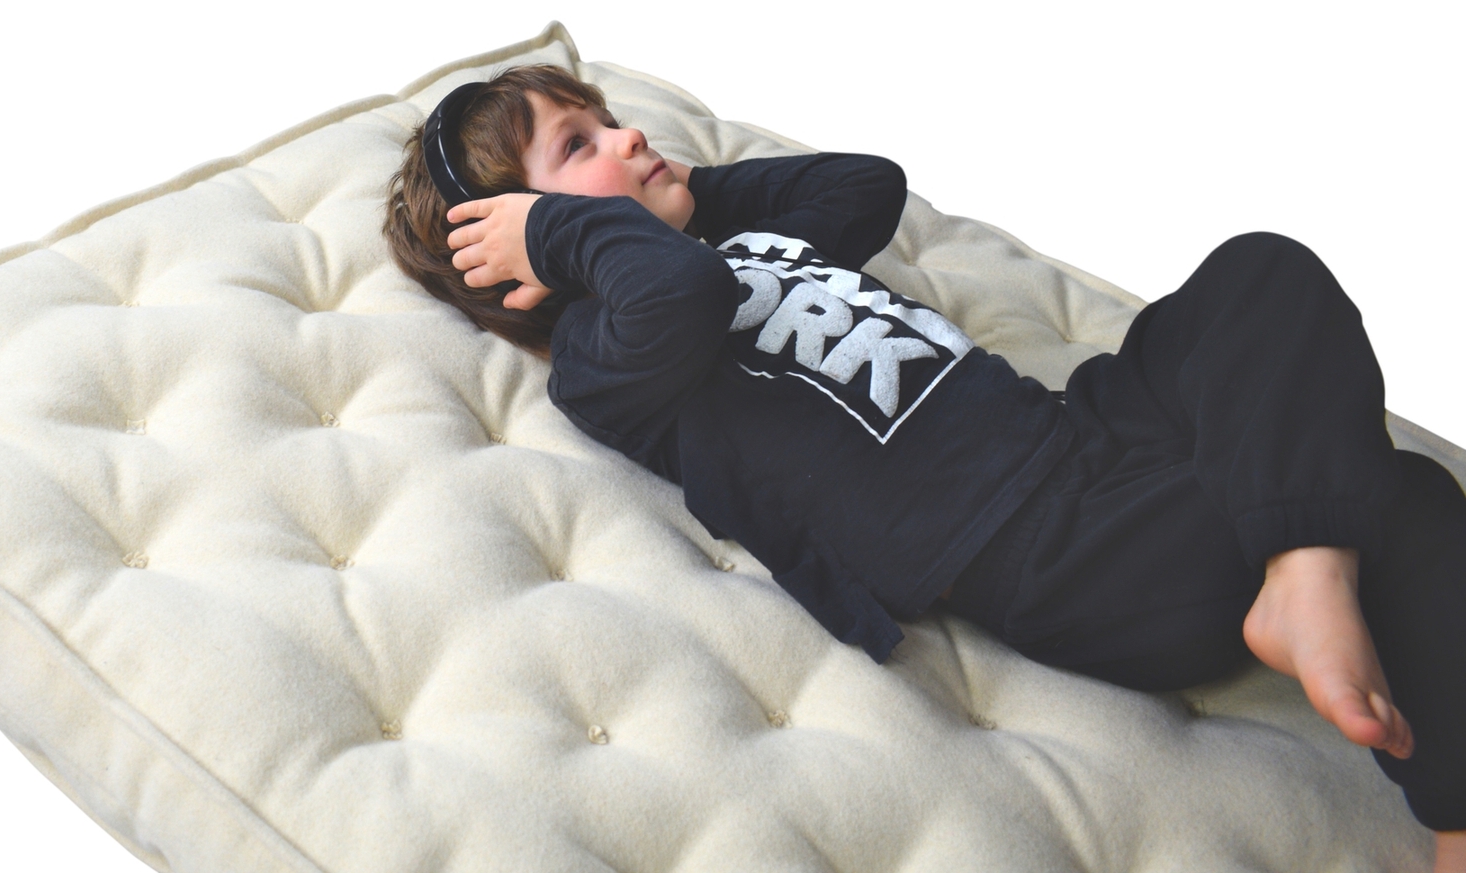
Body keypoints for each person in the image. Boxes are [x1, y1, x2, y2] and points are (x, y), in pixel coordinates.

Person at [382, 64, 1465, 868]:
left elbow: (867, 187)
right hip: (1049, 545)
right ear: (520, 250)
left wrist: (677, 188)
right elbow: (679, 293)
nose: (628, 137)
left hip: (1085, 435)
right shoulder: (604, 355)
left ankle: (1303, 563)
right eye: (580, 145)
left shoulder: (731, 245)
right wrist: (564, 235)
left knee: (1261, 270)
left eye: (610, 119)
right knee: (1404, 504)